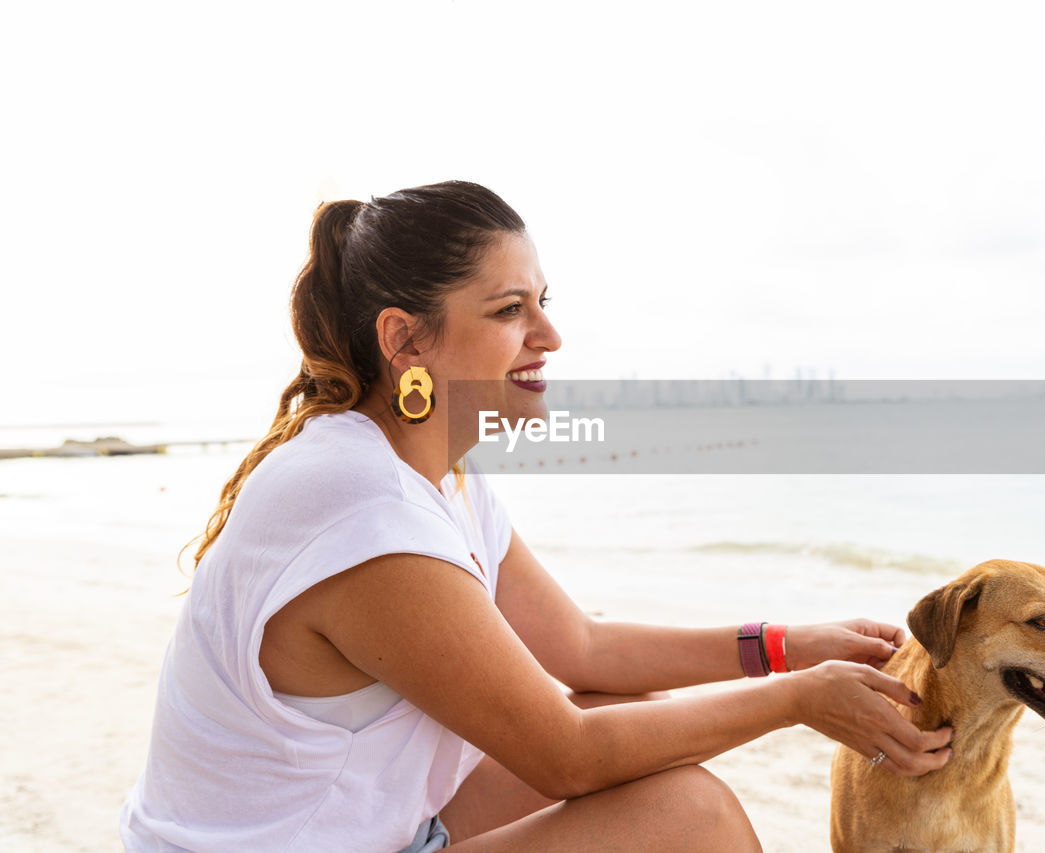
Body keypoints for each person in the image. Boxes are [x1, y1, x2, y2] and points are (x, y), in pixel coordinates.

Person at [120, 181, 953, 852]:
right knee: (687, 815)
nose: (549, 335)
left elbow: (583, 647)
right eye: (510, 310)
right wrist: (800, 698)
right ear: (405, 340)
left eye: (543, 302)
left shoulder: (436, 477)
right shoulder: (360, 504)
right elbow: (566, 758)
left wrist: (785, 645)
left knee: (611, 705)